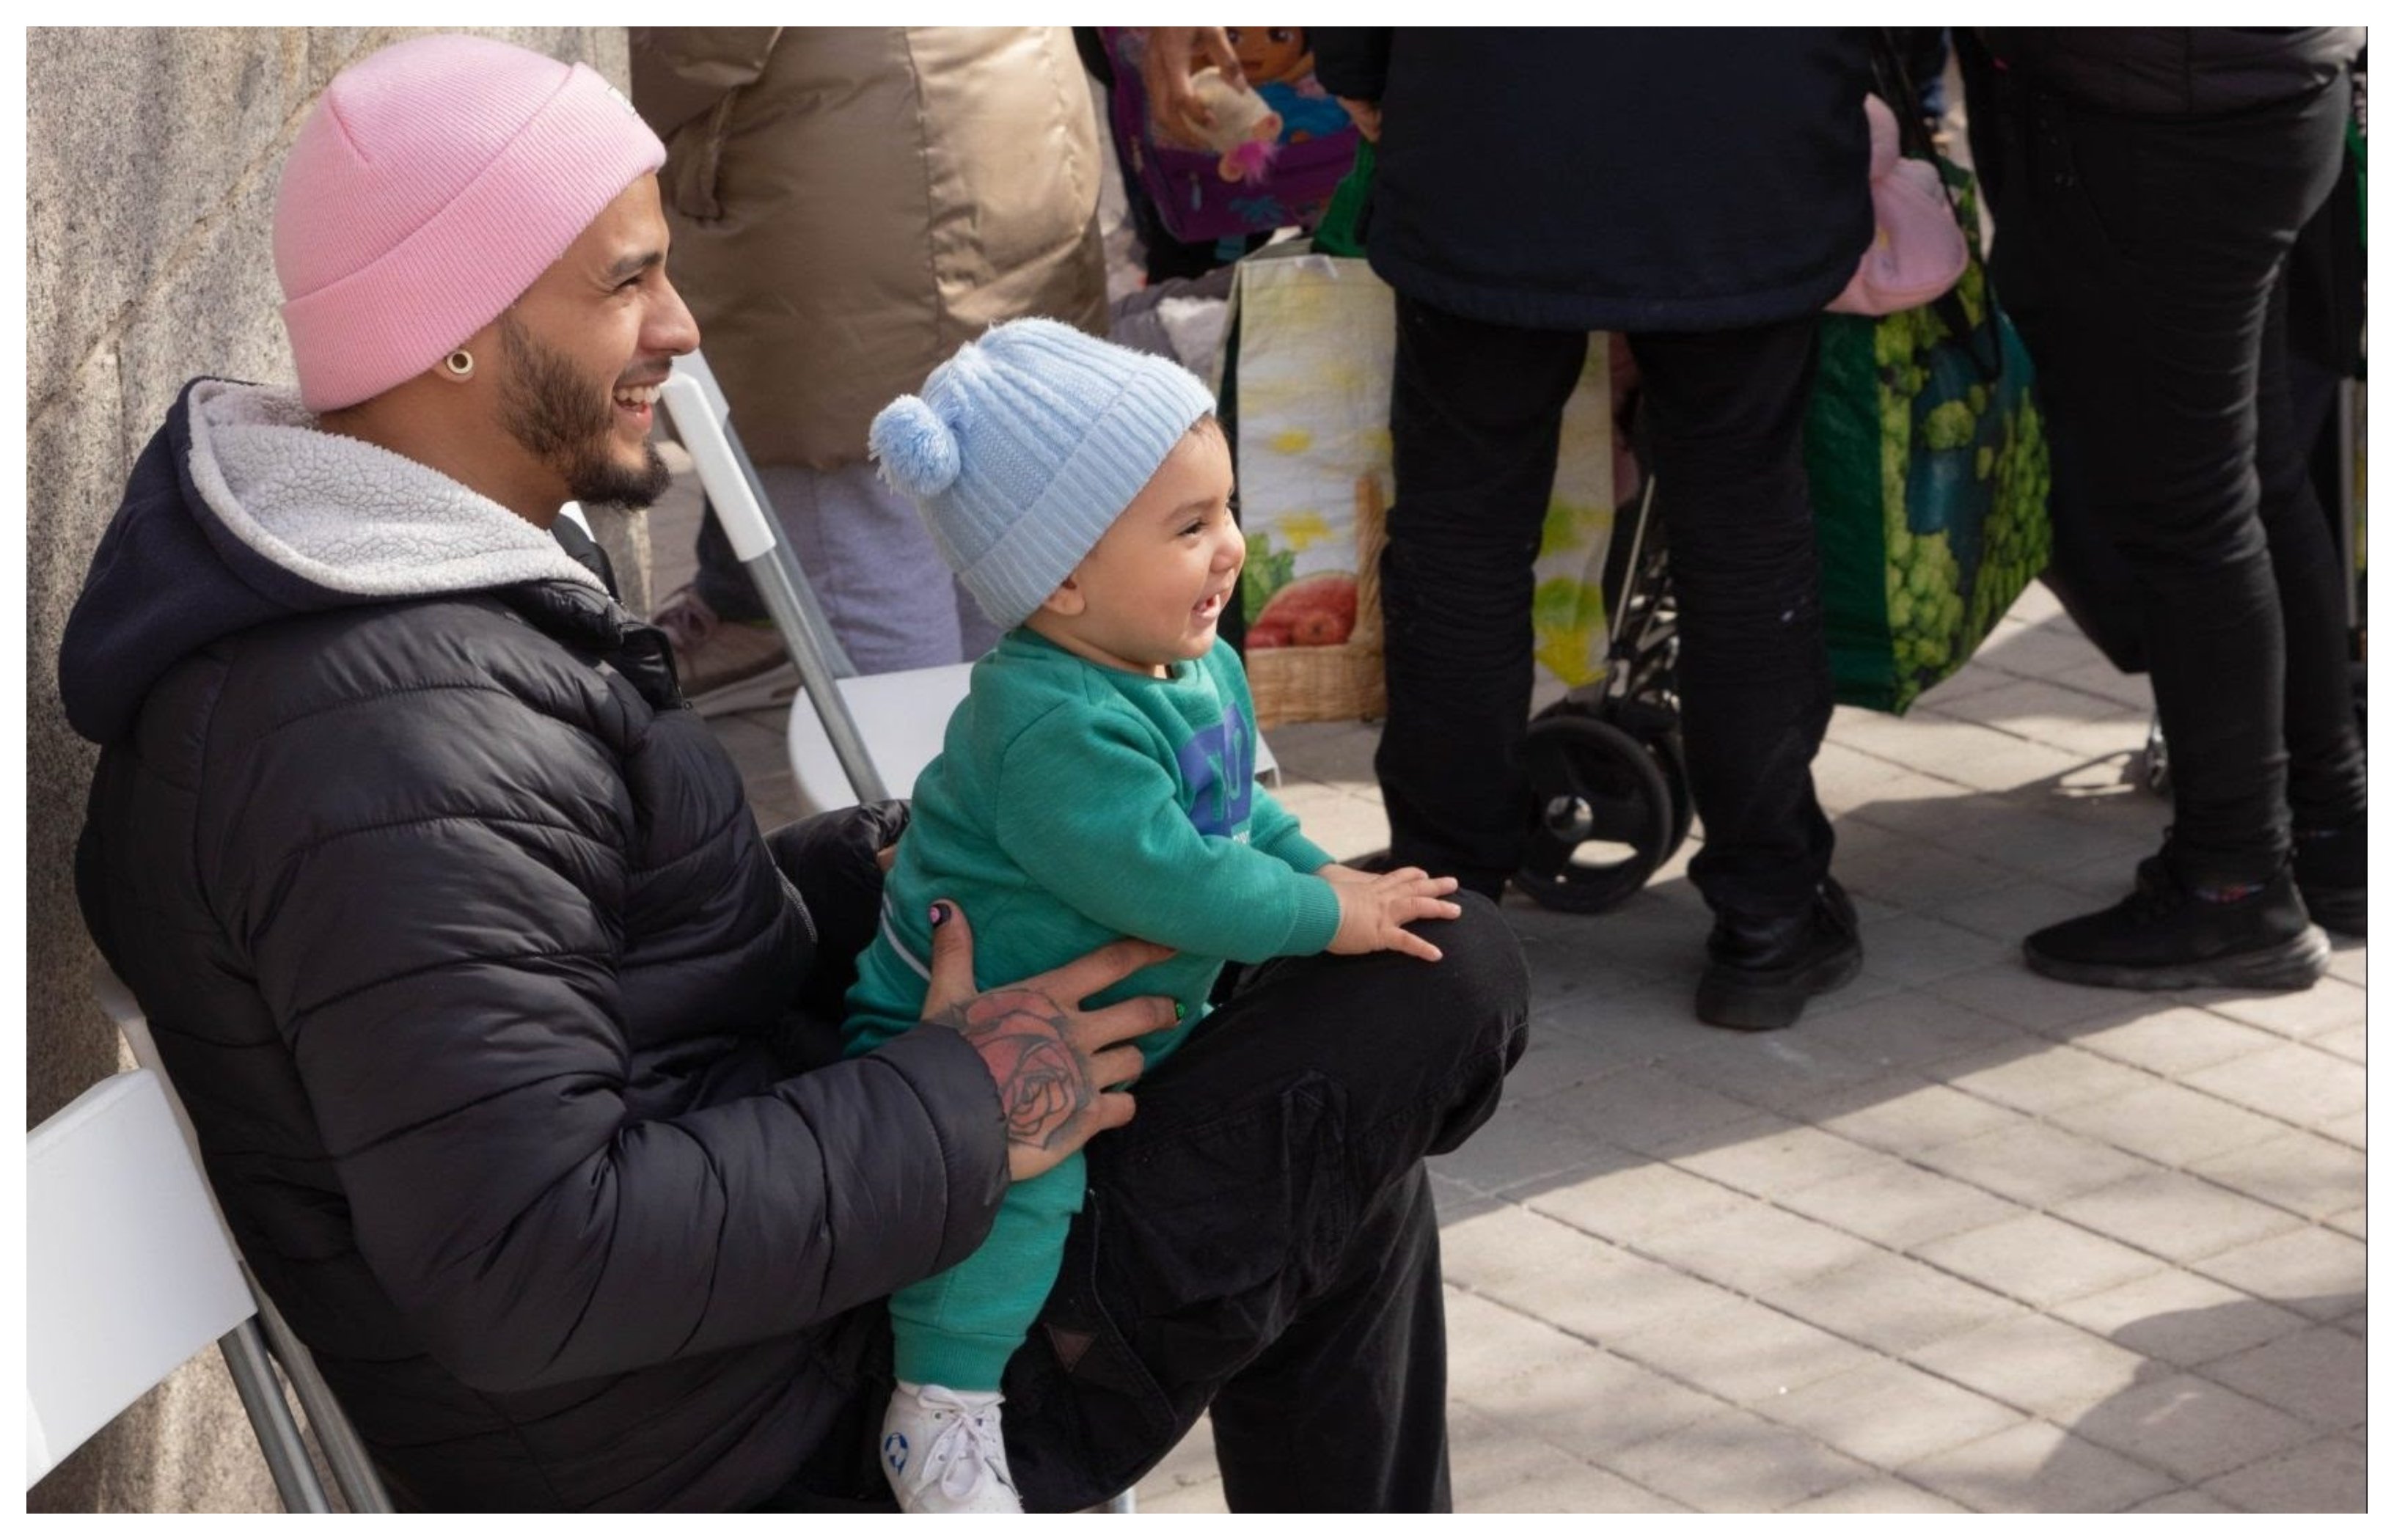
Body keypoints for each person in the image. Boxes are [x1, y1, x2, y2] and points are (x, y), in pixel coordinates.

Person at [58, 35, 1528, 1512]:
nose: (681, 327)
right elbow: (527, 1262)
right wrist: (967, 1105)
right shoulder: (370, 743)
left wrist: (878, 868)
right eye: (626, 280)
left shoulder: (403, 643)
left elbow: (591, 969)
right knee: (1430, 996)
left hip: (795, 1304)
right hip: (775, 1437)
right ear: (457, 327)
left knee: (1338, 1098)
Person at [843, 320, 1464, 1511]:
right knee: (1020, 1197)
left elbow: (1233, 820)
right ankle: (946, 1413)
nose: (1228, 548)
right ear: (1060, 577)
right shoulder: (1051, 719)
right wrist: (1322, 921)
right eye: (1187, 528)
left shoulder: (1188, 665)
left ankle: (1053, 1429)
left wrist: (1331, 881)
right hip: (970, 1037)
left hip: (1119, 1029)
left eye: (1224, 509)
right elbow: (1176, 883)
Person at [1297, 27, 1877, 1030]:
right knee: (1740, 523)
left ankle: (1443, 902)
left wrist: (1357, 63)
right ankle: (1768, 912)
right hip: (1746, 124)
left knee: (1464, 527)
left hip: (1494, 116)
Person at [1963, 28, 2367, 987]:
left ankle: (2235, 884)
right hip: (2254, 94)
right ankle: (2331, 828)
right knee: (2252, 480)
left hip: (2173, 117)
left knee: (2193, 510)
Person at [629, 27, 1110, 708]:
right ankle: (1016, 790)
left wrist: (590, 76)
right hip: (1009, 129)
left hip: (843, 184)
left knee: (866, 547)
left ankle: (917, 802)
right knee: (996, 539)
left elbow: (697, 41)